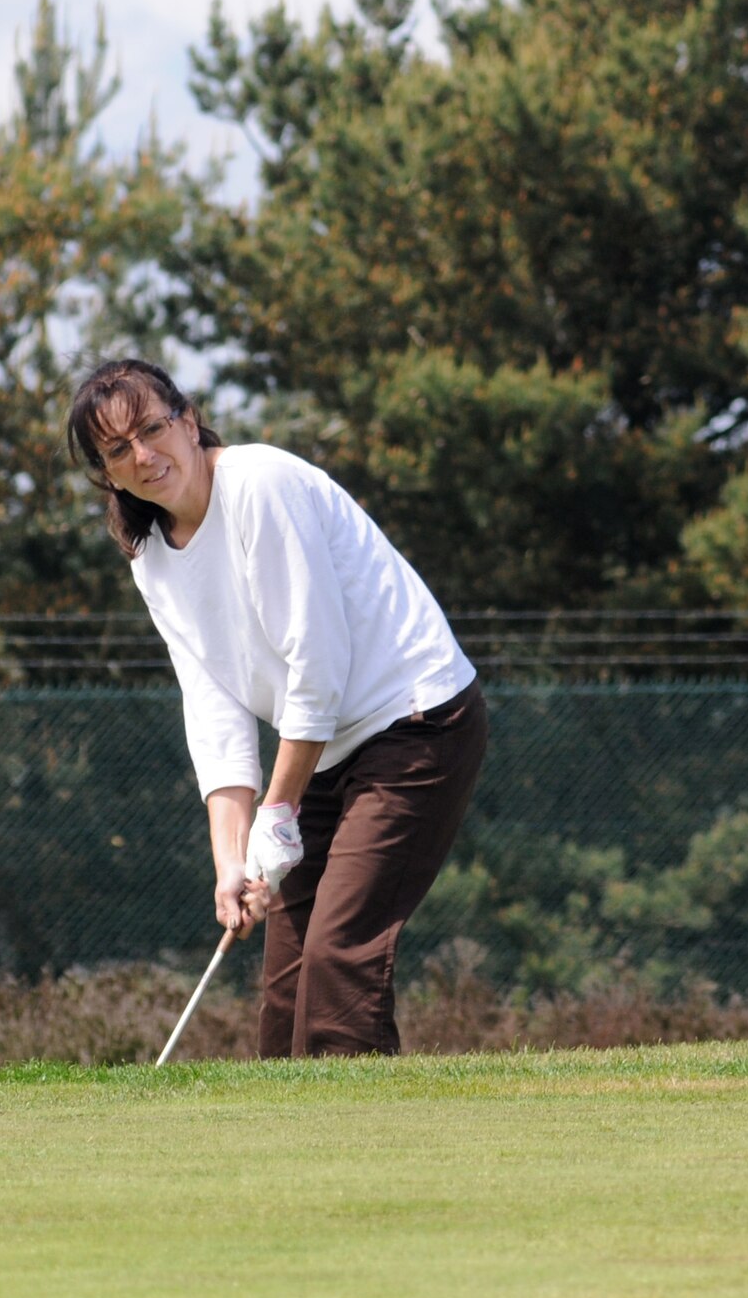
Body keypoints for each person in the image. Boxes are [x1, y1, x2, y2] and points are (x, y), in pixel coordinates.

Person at [67, 358, 486, 1057]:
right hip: (321, 751)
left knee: (336, 957)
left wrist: (279, 809)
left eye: (151, 429)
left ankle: (357, 1155)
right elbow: (213, 704)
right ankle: (277, 1159)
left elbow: (316, 666)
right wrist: (230, 861)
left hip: (415, 724)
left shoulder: (258, 483)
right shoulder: (151, 558)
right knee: (286, 992)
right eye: (117, 450)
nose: (142, 455)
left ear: (189, 421)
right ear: (107, 474)